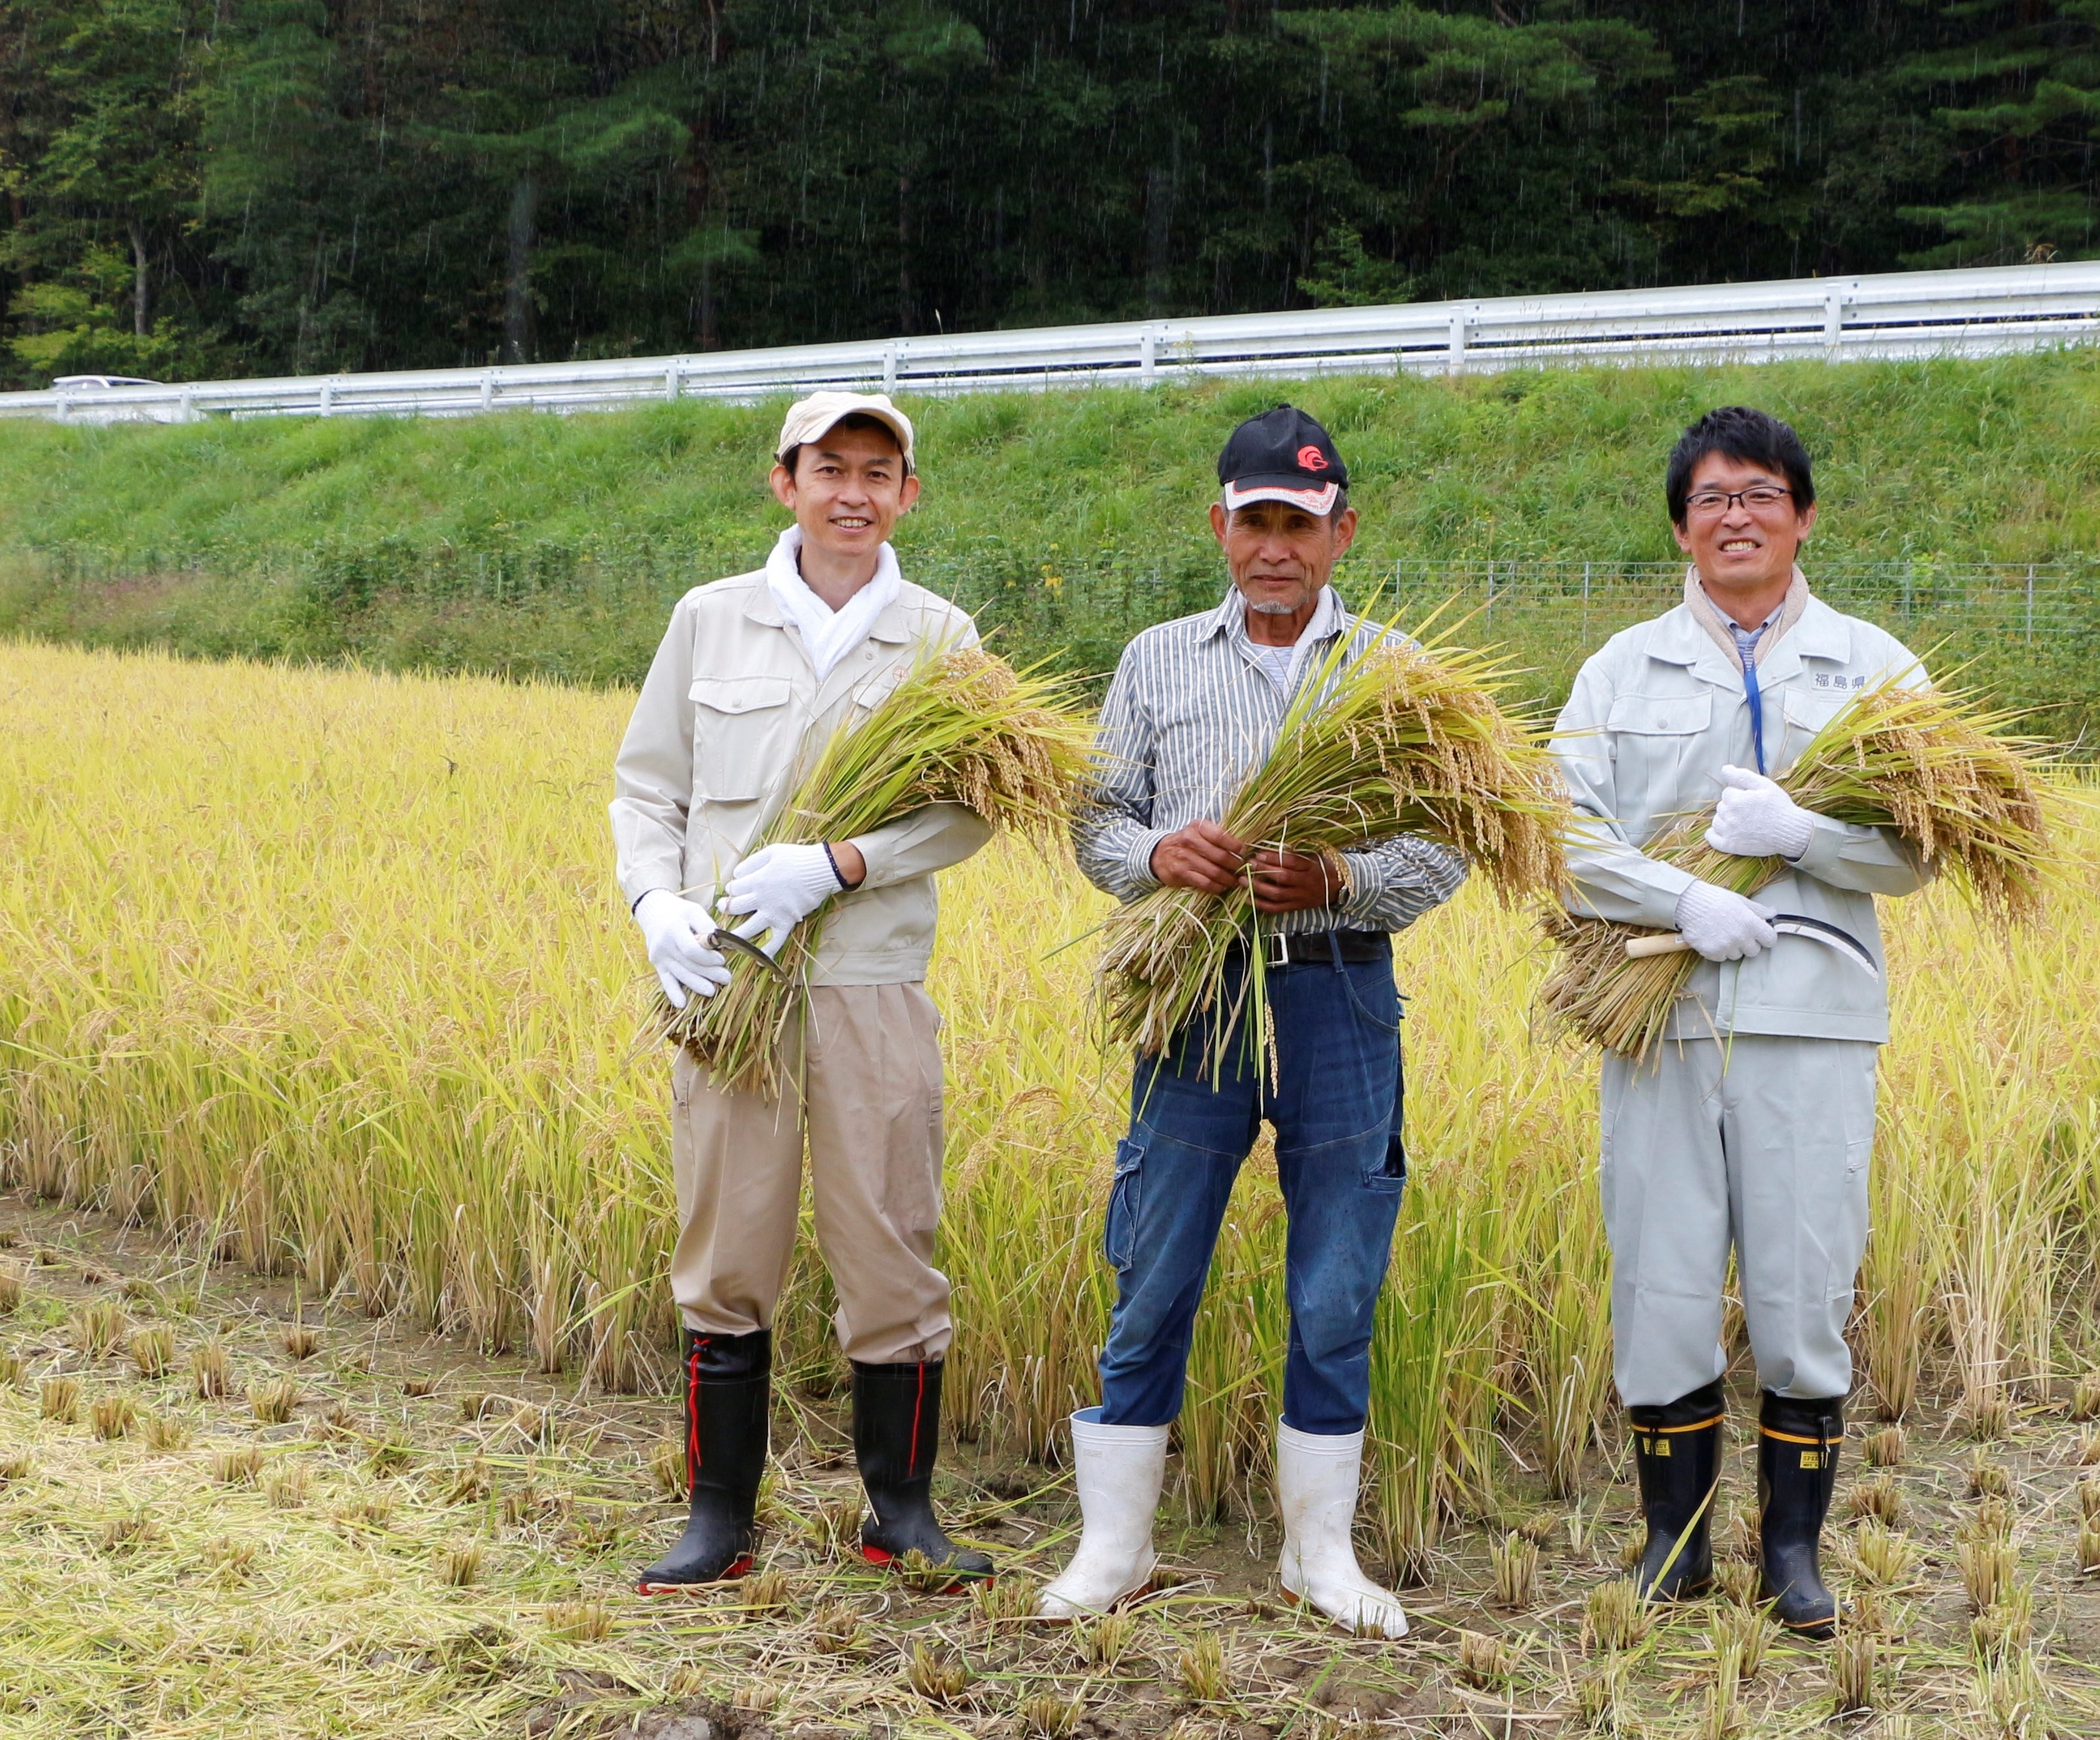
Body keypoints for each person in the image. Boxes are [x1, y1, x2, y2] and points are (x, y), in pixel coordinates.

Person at [1041, 405, 1466, 1636]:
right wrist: (1160, 853)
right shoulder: (1156, 658)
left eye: (1301, 523)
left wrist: (1343, 877)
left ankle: (1316, 1554)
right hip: (1199, 992)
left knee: (1338, 1272)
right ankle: (1112, 1545)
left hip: (1338, 986)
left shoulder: (1394, 669)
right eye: (1254, 520)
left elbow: (1447, 846)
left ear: (1341, 533)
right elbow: (1095, 819)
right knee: (1155, 1257)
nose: (1275, 545)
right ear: (1220, 525)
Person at [1550, 406, 1932, 1634]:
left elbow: (1924, 849)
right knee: (1658, 1280)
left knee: (1804, 1286)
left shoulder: (1876, 669)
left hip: (1813, 1024)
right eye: (1712, 499)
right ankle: (1674, 1543)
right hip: (1660, 1020)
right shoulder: (1620, 669)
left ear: (1803, 516)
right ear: (1681, 525)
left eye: (1761, 495)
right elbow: (1563, 836)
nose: (1737, 517)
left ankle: (1793, 1552)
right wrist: (1687, 897)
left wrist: (1801, 837)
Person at [611, 390, 996, 1593]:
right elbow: (646, 788)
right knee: (727, 1245)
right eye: (829, 468)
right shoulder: (710, 619)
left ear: (907, 496)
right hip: (732, 980)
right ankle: (719, 1518)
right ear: (784, 482)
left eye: (878, 473)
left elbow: (973, 806)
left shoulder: (943, 637)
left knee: (891, 1244)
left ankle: (901, 1514)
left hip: (871, 983)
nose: (853, 493)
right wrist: (654, 906)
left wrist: (843, 861)